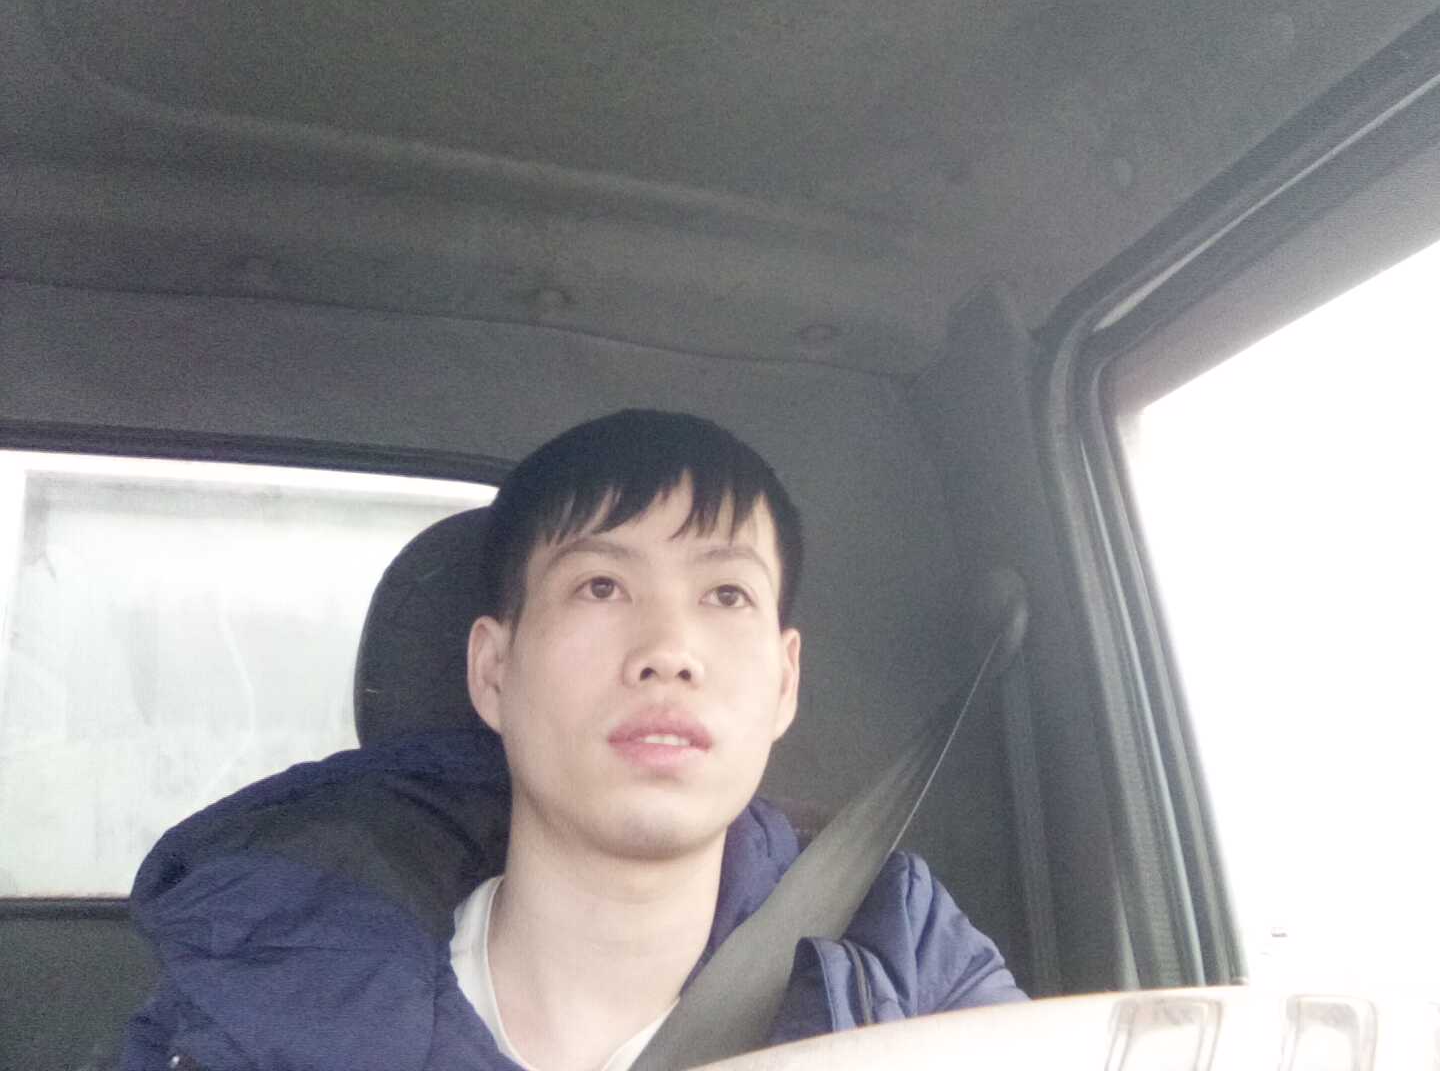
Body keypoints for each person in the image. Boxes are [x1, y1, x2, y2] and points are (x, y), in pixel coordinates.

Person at [119, 410, 1023, 1071]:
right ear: (492, 670)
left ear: (785, 682)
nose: (668, 651)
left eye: (726, 594)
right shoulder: (260, 998)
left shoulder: (900, 959)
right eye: (600, 586)